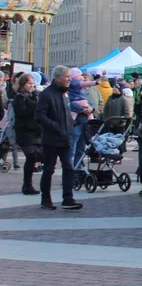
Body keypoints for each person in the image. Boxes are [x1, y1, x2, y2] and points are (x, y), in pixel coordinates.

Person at [34, 66, 81, 211]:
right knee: (49, 169)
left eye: (70, 77)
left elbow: (66, 113)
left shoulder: (65, 94)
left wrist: (70, 125)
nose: (69, 79)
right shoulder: (47, 94)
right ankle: (45, 198)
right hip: (51, 139)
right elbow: (39, 116)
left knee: (68, 167)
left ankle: (68, 198)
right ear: (58, 78)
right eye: (67, 77)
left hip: (66, 137)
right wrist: (55, 126)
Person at [12, 73, 42, 196]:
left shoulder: (33, 96)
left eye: (32, 83)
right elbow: (24, 112)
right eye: (29, 83)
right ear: (23, 84)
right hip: (24, 132)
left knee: (39, 156)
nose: (31, 86)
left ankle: (28, 184)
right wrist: (35, 103)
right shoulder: (19, 98)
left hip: (35, 131)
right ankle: (27, 185)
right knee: (31, 156)